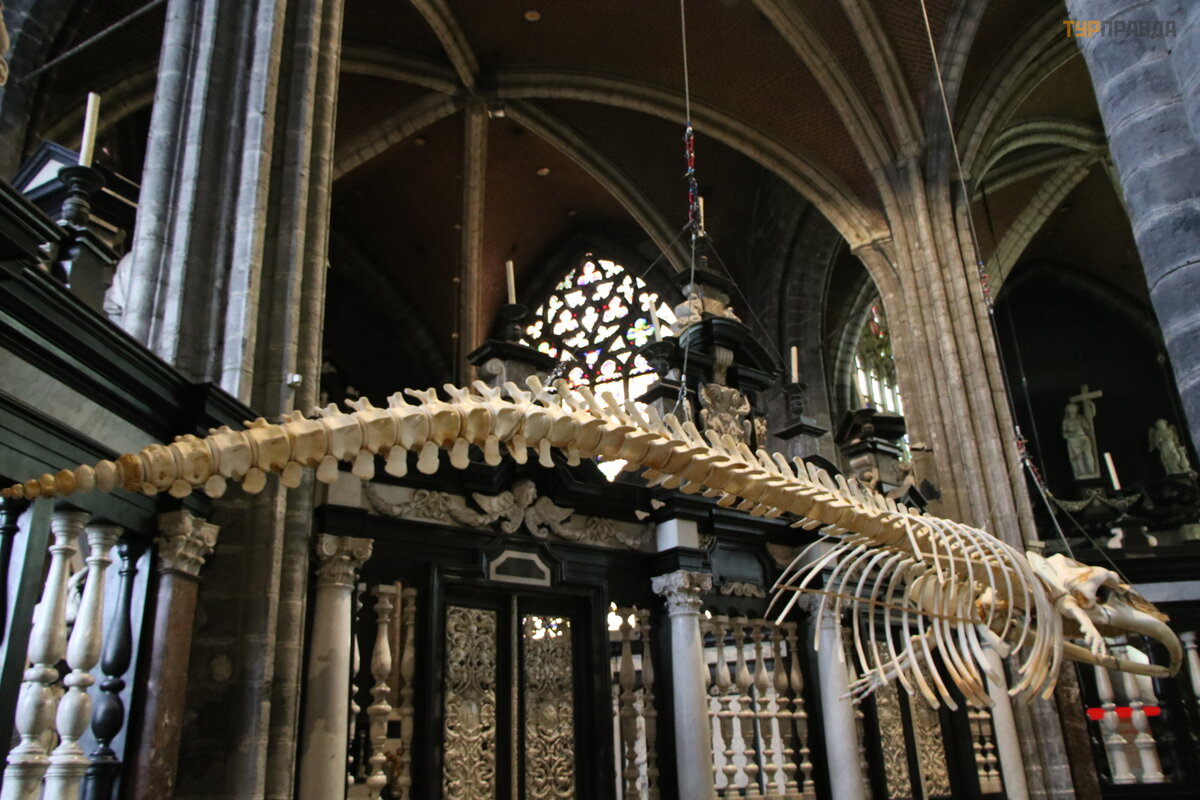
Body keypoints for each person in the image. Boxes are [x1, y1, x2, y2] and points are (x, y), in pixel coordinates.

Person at [1062, 402, 1097, 478]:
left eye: (1074, 409)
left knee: (1088, 454)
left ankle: (1091, 470)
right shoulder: (1066, 421)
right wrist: (1072, 434)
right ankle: (1082, 472)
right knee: (1078, 457)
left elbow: (1087, 427)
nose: (1073, 410)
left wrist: (1082, 431)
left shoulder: (1081, 418)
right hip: (1073, 441)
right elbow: (1064, 434)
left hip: (1083, 438)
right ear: (1068, 410)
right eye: (1071, 409)